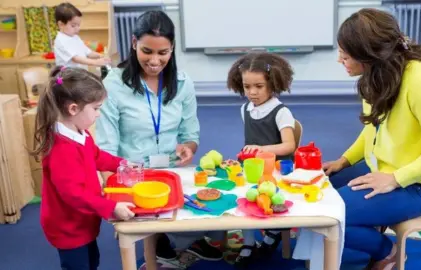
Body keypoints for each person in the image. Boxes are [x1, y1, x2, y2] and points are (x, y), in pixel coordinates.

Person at [324, 8, 421, 269]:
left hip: (417, 185)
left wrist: (395, 178)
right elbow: (372, 128)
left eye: (346, 53)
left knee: (330, 214)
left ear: (369, 55)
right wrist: (344, 160)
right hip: (382, 167)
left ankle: (387, 250)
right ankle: (366, 232)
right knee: (319, 189)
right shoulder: (377, 76)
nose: (339, 59)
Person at [95, 10, 223, 265]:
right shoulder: (114, 84)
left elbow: (190, 133)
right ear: (134, 44)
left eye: (162, 53)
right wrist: (114, 193)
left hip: (170, 170)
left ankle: (167, 240)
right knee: (152, 227)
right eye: (147, 51)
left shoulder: (183, 83)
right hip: (132, 174)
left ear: (172, 49)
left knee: (215, 218)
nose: (154, 60)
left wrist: (188, 147)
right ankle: (158, 244)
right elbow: (106, 144)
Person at [31, 66, 135, 270]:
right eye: (96, 108)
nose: (99, 114)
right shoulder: (62, 150)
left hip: (83, 220)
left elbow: (96, 156)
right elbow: (74, 194)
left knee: (92, 262)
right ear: (73, 109)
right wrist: (110, 207)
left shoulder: (80, 133)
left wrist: (120, 164)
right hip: (68, 227)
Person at [226, 52, 296, 268]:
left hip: (276, 172)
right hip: (254, 170)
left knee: (271, 200)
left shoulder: (281, 111)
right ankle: (248, 243)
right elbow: (250, 143)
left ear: (272, 84)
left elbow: (289, 146)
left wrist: (261, 149)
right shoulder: (245, 109)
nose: (252, 93)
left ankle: (272, 233)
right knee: (244, 200)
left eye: (259, 86)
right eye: (247, 87)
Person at [53, 2, 111, 69]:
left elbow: (88, 52)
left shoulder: (75, 37)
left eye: (78, 25)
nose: (78, 28)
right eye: (73, 25)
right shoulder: (61, 40)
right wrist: (96, 62)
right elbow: (75, 58)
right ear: (61, 24)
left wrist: (100, 55)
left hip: (79, 73)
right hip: (68, 76)